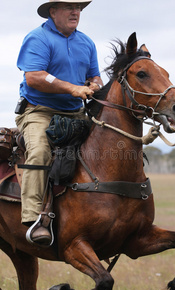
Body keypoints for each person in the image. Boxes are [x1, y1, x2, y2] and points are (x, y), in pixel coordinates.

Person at [15, 0, 103, 247]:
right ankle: (34, 218)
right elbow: (35, 76)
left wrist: (94, 84)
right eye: (69, 7)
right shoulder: (38, 38)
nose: (76, 12)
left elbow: (94, 75)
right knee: (41, 151)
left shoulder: (86, 42)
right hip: (39, 112)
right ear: (53, 12)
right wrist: (72, 87)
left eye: (79, 8)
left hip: (75, 114)